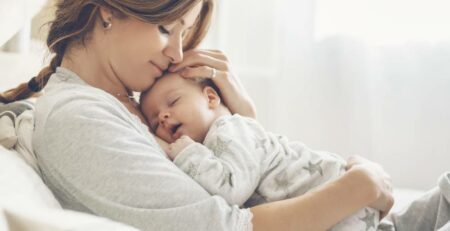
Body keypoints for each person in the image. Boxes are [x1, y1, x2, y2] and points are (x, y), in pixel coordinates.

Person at [0, 0, 395, 230]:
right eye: (165, 29)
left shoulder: (133, 104)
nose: (176, 53)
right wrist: (357, 187)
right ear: (107, 13)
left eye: (182, 37)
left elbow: (250, 187)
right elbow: (226, 225)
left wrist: (242, 118)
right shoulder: (79, 119)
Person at [140, 72, 381, 230]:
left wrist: (187, 153)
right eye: (153, 122)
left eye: (173, 102)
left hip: (342, 204)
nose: (163, 116)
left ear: (211, 97)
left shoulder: (230, 128)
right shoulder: (215, 142)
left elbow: (231, 191)